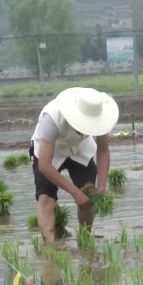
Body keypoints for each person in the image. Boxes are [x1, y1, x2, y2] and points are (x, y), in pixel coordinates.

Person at [30, 87, 119, 243]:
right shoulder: (52, 116)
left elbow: (103, 151)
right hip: (51, 151)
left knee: (88, 196)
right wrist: (74, 192)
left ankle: (85, 238)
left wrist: (102, 187)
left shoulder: (103, 117)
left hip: (80, 149)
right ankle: (50, 249)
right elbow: (44, 165)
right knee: (45, 198)